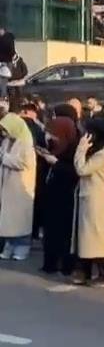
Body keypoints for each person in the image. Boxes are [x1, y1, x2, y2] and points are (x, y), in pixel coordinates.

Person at [72, 115, 104, 286]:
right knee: (88, 238)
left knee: (99, 238)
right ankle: (85, 272)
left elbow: (82, 169)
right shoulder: (100, 151)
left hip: (96, 200)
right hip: (90, 198)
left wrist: (81, 149)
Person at [40, 114, 78, 276]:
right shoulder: (54, 147)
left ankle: (66, 264)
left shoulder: (73, 149)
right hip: (51, 194)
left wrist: (55, 163)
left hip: (67, 196)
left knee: (65, 232)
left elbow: (75, 172)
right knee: (51, 230)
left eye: (54, 134)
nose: (50, 137)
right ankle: (50, 263)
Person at [0, 112, 37, 261]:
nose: (4, 133)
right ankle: (9, 245)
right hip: (7, 186)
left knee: (20, 220)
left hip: (21, 188)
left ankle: (22, 247)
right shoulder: (7, 142)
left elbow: (24, 163)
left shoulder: (27, 144)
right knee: (8, 219)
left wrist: (4, 157)